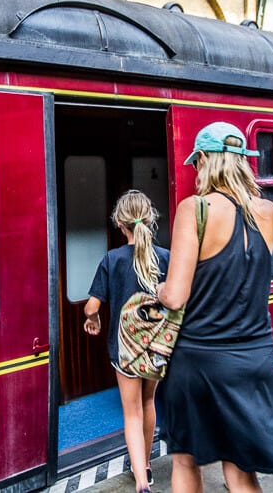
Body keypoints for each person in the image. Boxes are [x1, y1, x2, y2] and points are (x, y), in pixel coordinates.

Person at [156, 122, 273, 492]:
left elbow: (175, 296)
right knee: (240, 470)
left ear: (203, 160)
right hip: (255, 358)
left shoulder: (195, 209)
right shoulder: (268, 211)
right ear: (243, 161)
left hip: (201, 360)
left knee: (186, 461)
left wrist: (157, 288)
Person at [83, 190, 170, 493]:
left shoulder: (112, 259)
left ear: (120, 225)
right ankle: (144, 463)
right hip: (157, 347)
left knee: (131, 411)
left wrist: (92, 319)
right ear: (150, 220)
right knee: (149, 402)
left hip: (125, 349)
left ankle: (142, 483)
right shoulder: (165, 257)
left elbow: (92, 306)